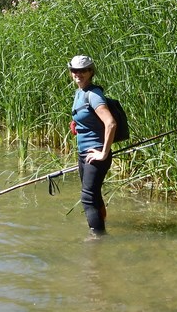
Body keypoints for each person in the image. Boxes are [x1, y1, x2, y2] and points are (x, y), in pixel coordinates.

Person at [69, 55, 116, 235]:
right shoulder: (79, 93)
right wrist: (77, 126)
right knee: (93, 194)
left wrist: (103, 153)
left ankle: (98, 238)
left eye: (83, 70)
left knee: (87, 198)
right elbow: (89, 118)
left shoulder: (93, 95)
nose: (78, 74)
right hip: (84, 153)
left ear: (91, 71)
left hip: (95, 153)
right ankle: (102, 223)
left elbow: (110, 123)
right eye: (74, 70)